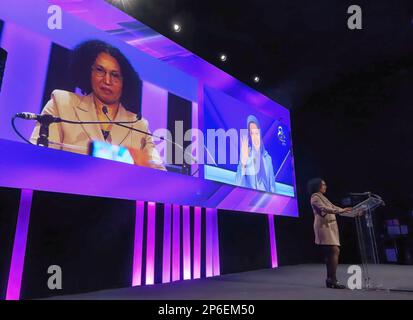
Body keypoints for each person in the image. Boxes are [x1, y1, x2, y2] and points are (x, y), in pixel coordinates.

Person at [30, 40, 165, 170]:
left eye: (115, 75)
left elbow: (159, 173)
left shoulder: (139, 125)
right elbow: (37, 158)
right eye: (100, 70)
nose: (107, 80)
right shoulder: (62, 103)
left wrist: (143, 165)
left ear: (125, 82)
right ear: (90, 73)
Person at [307, 178, 352, 289]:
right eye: (323, 185)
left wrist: (344, 210)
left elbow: (332, 207)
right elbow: (325, 208)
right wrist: (341, 211)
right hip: (324, 227)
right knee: (333, 250)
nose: (325, 186)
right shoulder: (315, 197)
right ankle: (332, 279)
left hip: (329, 227)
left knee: (332, 252)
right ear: (317, 186)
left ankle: (330, 279)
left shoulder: (322, 197)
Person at [235, 115, 276, 193]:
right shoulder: (246, 157)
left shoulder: (267, 158)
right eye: (252, 133)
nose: (255, 137)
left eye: (256, 133)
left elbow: (272, 188)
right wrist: (243, 163)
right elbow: (238, 185)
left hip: (267, 203)